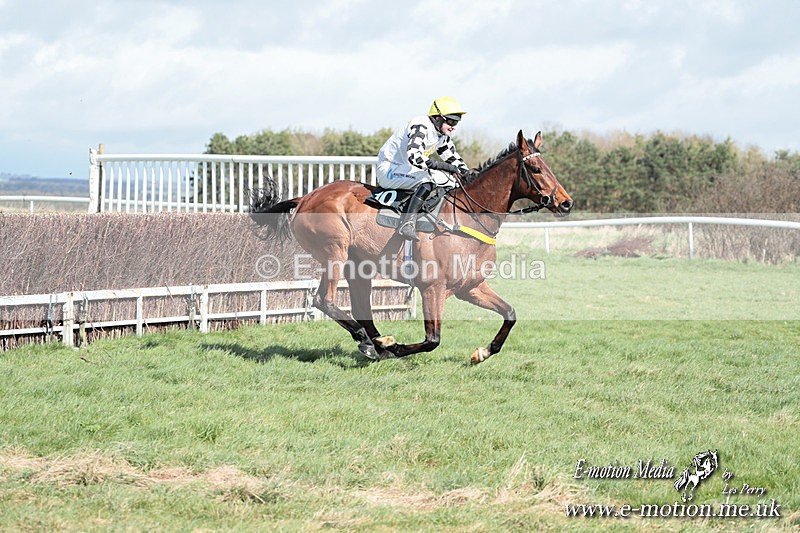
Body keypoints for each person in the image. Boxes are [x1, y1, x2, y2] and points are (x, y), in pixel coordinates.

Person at [376, 96, 473, 241]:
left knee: (451, 182)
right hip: (389, 169)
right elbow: (414, 157)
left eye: (456, 122)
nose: (454, 126)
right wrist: (446, 167)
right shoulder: (420, 125)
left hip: (406, 171)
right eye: (451, 121)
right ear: (437, 118)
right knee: (428, 180)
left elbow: (454, 159)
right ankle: (407, 222)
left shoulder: (442, 135)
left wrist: (470, 175)